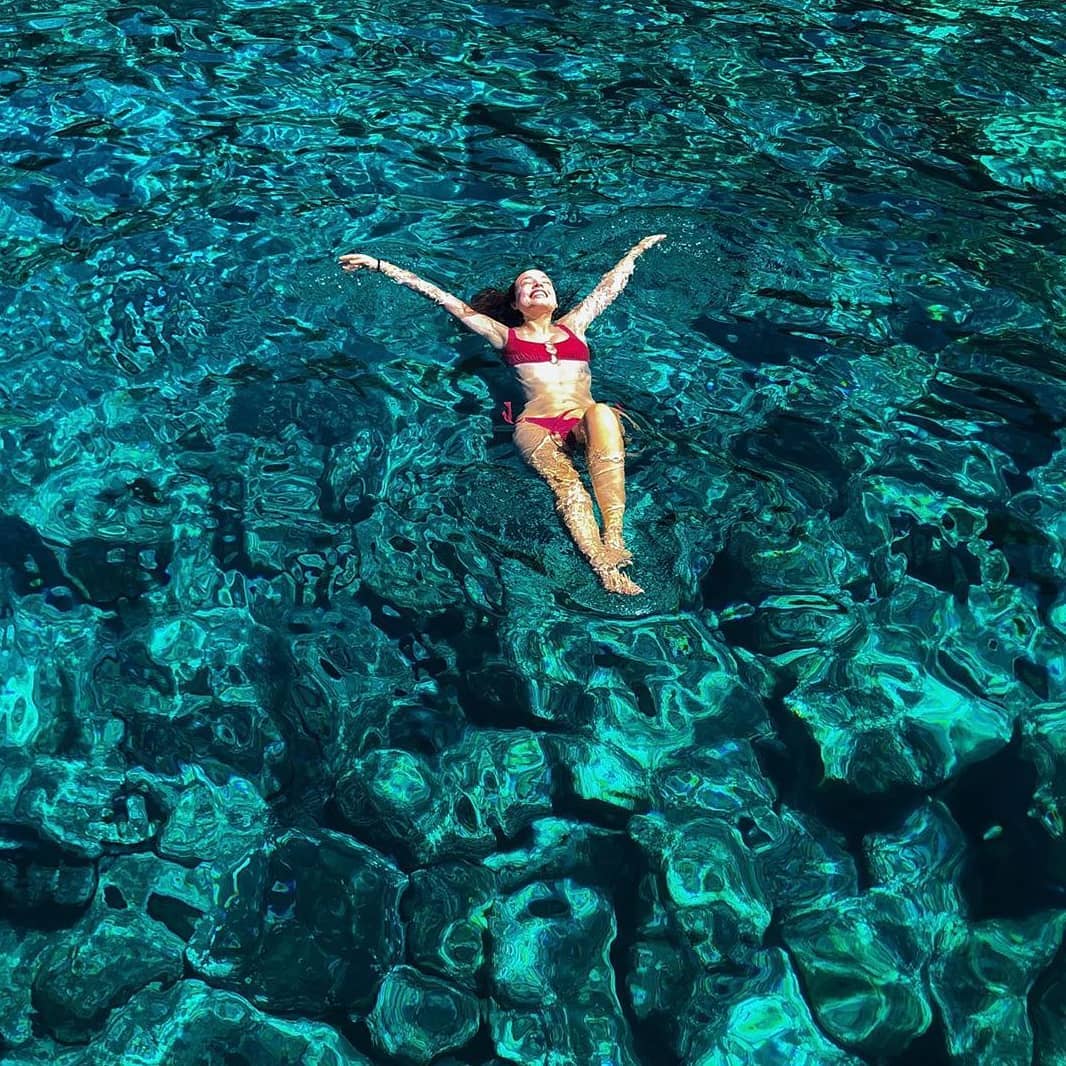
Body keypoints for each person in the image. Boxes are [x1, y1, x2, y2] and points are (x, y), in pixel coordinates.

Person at [338, 234, 667, 595]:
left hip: (583, 420)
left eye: (544, 281)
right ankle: (602, 567)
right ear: (516, 303)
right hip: (538, 425)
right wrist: (380, 265)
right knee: (570, 487)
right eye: (527, 283)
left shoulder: (574, 325)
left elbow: (608, 288)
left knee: (602, 412)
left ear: (555, 299)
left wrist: (638, 250)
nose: (537, 284)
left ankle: (614, 536)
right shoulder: (505, 336)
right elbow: (440, 297)